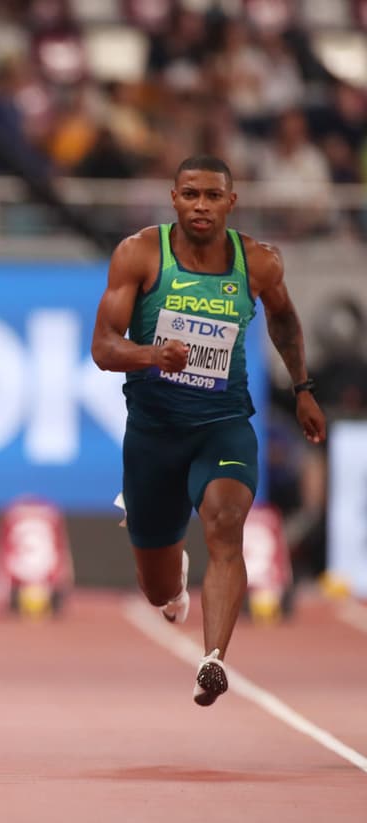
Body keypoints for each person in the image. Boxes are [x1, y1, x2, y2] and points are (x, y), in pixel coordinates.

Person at [91, 154, 325, 707]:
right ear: (173, 198)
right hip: (153, 434)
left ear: (231, 202)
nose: (201, 205)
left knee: (225, 523)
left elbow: (284, 318)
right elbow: (103, 348)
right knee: (156, 586)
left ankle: (212, 659)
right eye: (191, 194)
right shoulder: (141, 253)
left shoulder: (259, 262)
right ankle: (174, 590)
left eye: (212, 196)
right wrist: (151, 355)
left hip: (223, 426)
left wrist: (303, 388)